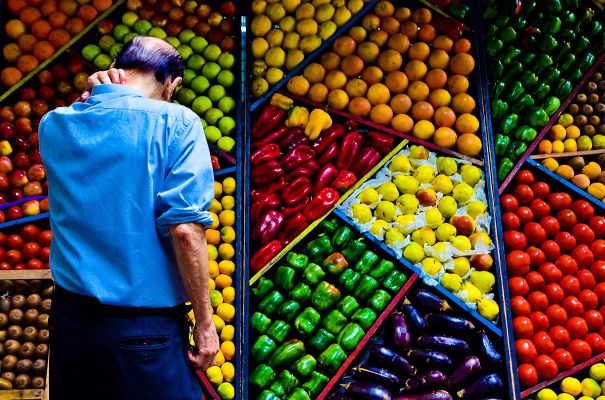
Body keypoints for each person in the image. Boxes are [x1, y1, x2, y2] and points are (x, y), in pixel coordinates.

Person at [38, 36, 219, 399]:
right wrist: (204, 323)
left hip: (71, 323)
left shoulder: (54, 124)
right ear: (173, 83)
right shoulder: (178, 123)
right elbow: (184, 230)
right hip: (143, 332)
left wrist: (94, 94)